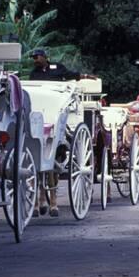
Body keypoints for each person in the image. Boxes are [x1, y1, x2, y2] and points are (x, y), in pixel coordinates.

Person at [29, 49, 97, 217]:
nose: (35, 60)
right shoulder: (33, 74)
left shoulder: (57, 68)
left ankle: (49, 200)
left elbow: (72, 75)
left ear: (45, 57)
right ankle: (41, 200)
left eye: (37, 57)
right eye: (34, 58)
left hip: (57, 111)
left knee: (54, 160)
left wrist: (86, 76)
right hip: (39, 114)